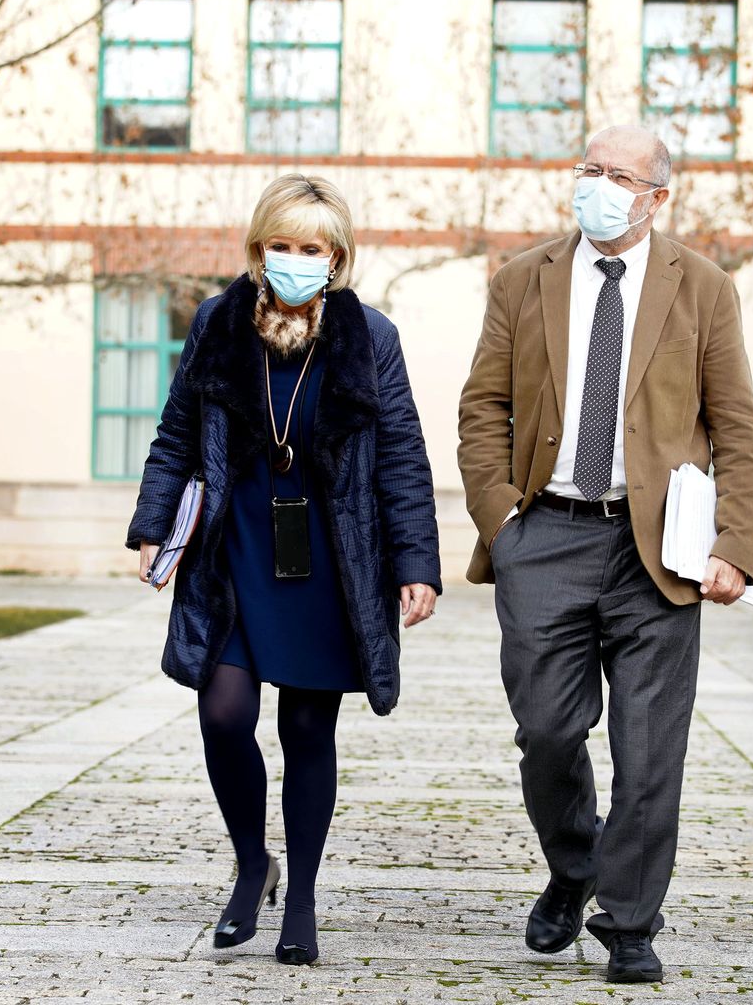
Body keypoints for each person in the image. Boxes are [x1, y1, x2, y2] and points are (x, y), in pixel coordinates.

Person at [457, 126, 753, 983]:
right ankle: (573, 867)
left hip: (657, 549)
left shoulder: (703, 288)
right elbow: (481, 408)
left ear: (657, 196)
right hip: (546, 534)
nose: (598, 185)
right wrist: (502, 527)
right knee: (547, 732)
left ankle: (630, 924)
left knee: (649, 746)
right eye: (589, 170)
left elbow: (736, 424)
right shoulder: (522, 279)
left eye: (619, 175)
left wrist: (735, 546)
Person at [128, 173, 441, 966]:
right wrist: (152, 525)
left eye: (312, 248)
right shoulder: (217, 323)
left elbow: (402, 454)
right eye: (281, 245)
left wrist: (417, 564)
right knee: (223, 712)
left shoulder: (370, 337)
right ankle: (250, 863)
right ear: (258, 248)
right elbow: (174, 433)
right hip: (234, 553)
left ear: (335, 257)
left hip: (333, 556)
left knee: (308, 728)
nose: (295, 259)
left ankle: (300, 897)